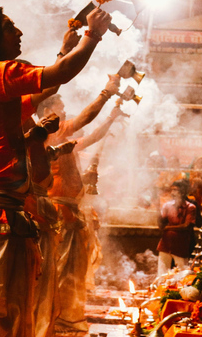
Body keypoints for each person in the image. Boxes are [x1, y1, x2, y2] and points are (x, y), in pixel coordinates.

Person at [0, 6, 111, 336]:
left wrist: (64, 50)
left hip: (5, 213)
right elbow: (60, 75)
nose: (20, 33)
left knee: (11, 313)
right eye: (10, 28)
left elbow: (44, 90)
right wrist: (92, 35)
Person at [42, 82, 123, 335]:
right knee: (59, 271)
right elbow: (85, 118)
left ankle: (66, 317)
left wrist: (112, 116)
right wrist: (107, 93)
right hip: (58, 213)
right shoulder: (49, 135)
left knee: (72, 272)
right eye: (60, 109)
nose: (65, 113)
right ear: (46, 112)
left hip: (72, 213)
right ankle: (54, 318)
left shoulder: (63, 140)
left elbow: (92, 137)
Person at [157, 180, 197, 275]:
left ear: (182, 192)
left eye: (175, 190)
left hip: (180, 245)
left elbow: (186, 226)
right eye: (172, 190)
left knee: (182, 273)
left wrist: (168, 228)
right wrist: (157, 209)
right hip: (165, 244)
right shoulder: (167, 205)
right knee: (162, 273)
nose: (172, 193)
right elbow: (161, 224)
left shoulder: (190, 207)